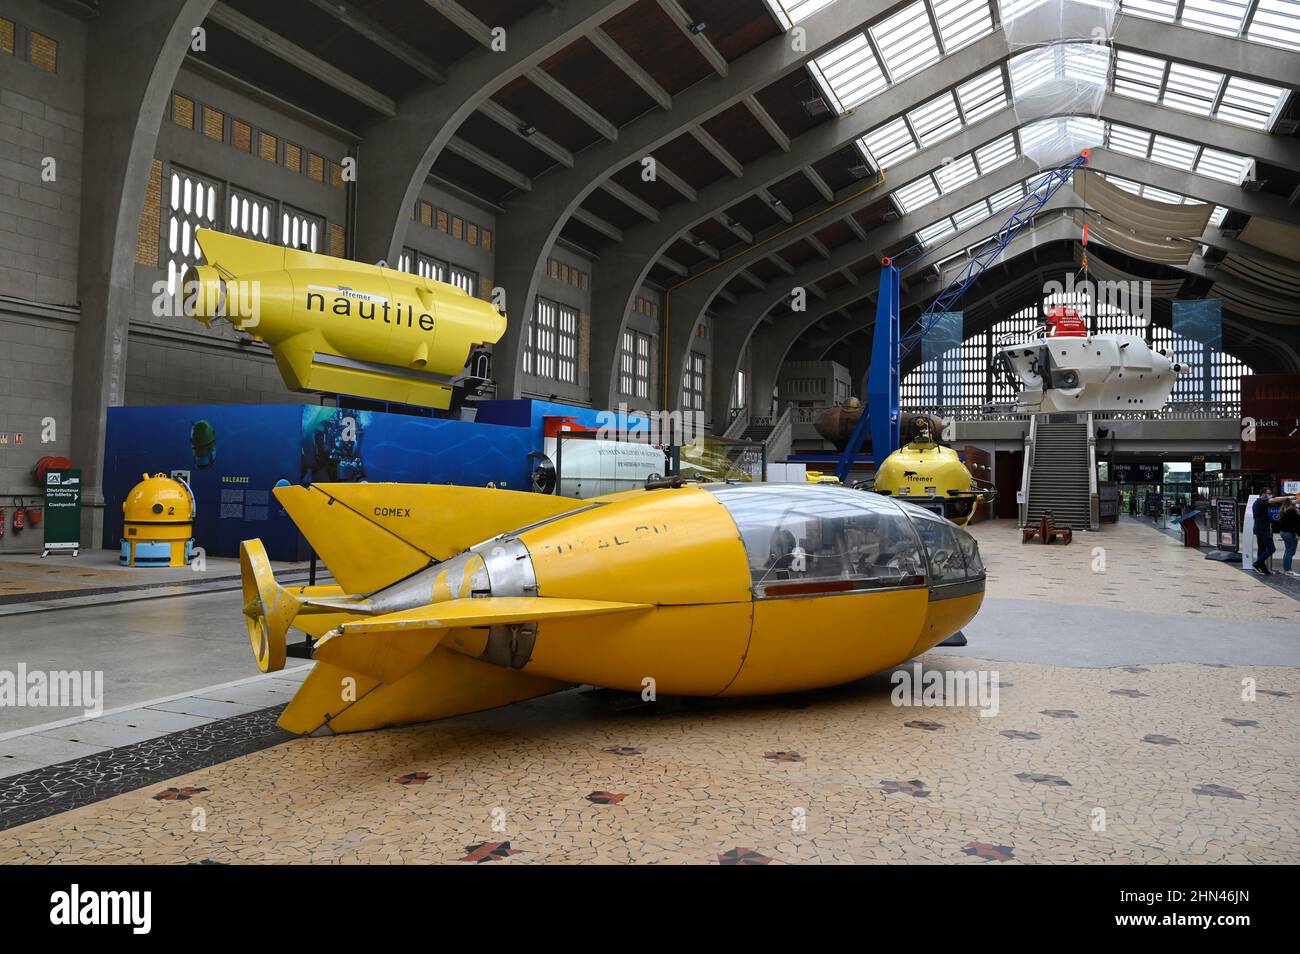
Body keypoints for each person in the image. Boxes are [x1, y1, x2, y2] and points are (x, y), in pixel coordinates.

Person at [1251, 485, 1297, 575]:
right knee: (1271, 548)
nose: (1270, 495)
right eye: (1268, 493)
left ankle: (1263, 569)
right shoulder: (1261, 501)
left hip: (1259, 529)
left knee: (1262, 549)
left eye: (1270, 493)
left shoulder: (1257, 502)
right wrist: (1288, 497)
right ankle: (1256, 564)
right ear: (1263, 494)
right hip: (1263, 530)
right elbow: (1274, 500)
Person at [1279, 498, 1300, 577]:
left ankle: (1286, 569)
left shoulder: (1284, 511)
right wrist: (1296, 534)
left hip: (1284, 532)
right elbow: (1293, 525)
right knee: (1290, 552)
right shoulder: (1292, 511)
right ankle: (1288, 570)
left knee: (1287, 551)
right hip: (1290, 533)